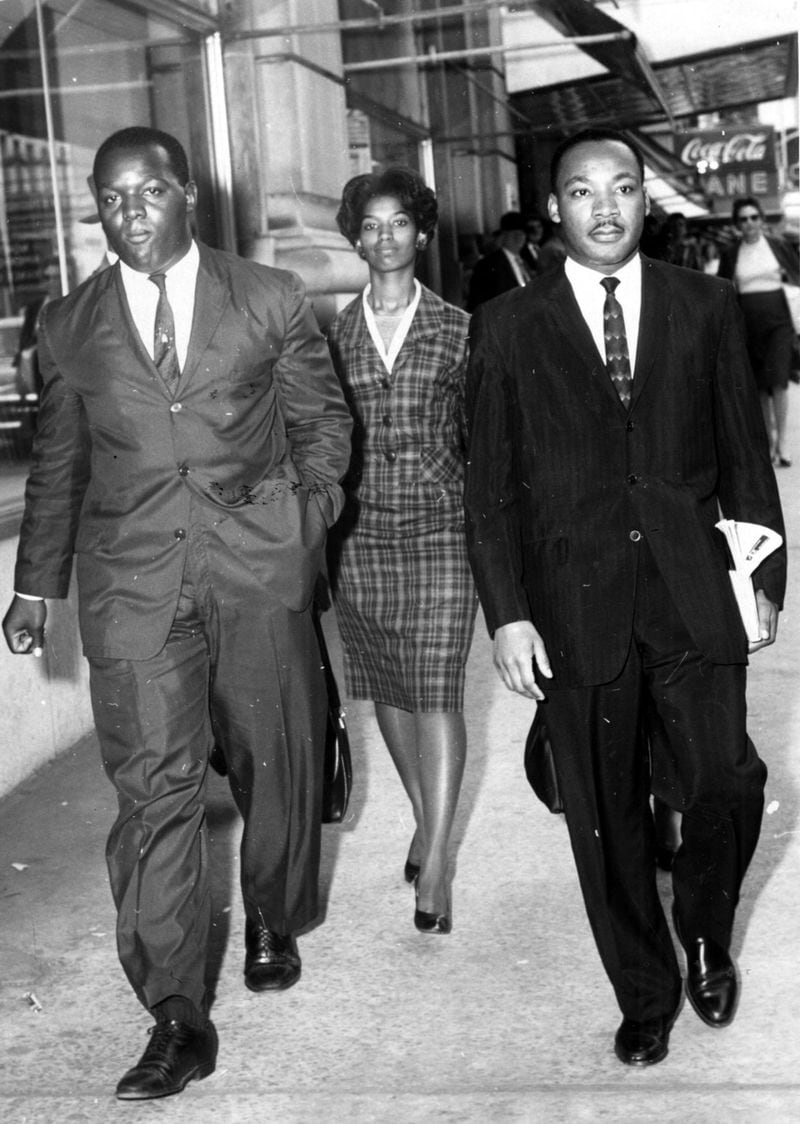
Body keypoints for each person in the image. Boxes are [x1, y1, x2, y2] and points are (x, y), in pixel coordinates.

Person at [2, 126, 352, 1100]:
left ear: (186, 191)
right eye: (108, 199)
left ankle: (273, 907)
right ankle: (173, 1014)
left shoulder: (268, 297)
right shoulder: (69, 323)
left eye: (145, 193)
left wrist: (299, 524)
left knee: (275, 755)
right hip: (133, 587)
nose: (128, 214)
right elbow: (61, 465)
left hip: (256, 569)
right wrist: (36, 585)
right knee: (154, 794)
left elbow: (324, 426)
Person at [464, 128, 786, 1068]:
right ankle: (645, 992)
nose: (604, 207)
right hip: (572, 602)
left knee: (725, 777)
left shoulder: (708, 304)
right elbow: (490, 490)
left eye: (622, 188)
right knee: (605, 812)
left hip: (693, 587)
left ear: (645, 202)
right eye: (581, 191)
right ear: (555, 207)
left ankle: (704, 931)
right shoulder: (509, 326)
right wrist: (509, 612)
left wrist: (761, 576)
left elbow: (744, 455)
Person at [326, 167, 477, 935]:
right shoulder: (332, 335)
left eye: (399, 223)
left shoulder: (459, 328)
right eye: (371, 225)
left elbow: (481, 435)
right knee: (388, 687)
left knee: (438, 691)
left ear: (421, 233)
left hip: (444, 529)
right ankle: (427, 819)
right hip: (362, 538)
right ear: (356, 237)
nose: (385, 237)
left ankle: (440, 861)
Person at [717, 196, 800, 467]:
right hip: (748, 323)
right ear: (737, 224)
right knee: (760, 387)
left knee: (778, 379)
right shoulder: (731, 254)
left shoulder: (778, 246)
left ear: (762, 219)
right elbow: (722, 292)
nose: (750, 223)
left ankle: (783, 443)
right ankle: (767, 440)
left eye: (754, 217)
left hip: (779, 319)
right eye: (744, 219)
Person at [466, 210, 533, 310]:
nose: (519, 238)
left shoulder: (524, 263)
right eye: (514, 234)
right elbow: (478, 304)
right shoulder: (488, 265)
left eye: (522, 234)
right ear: (503, 235)